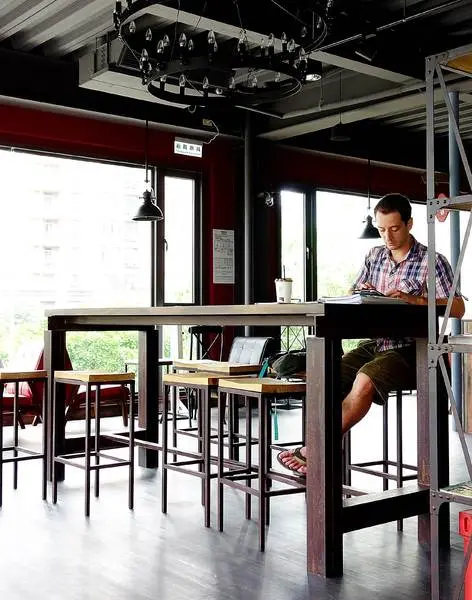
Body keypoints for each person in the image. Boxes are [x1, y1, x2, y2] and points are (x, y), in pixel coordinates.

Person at [277, 192, 465, 475]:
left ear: (409, 224)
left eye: (394, 228)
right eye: (381, 229)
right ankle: (325, 453)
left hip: (414, 349)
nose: (387, 236)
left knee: (365, 379)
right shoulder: (374, 256)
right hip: (377, 343)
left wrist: (414, 300)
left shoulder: (432, 260)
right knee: (326, 375)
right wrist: (363, 293)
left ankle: (313, 450)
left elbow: (458, 307)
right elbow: (354, 291)